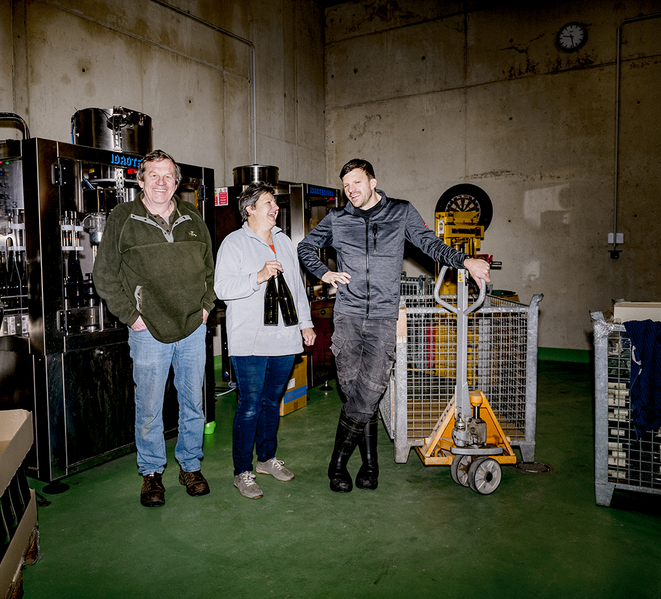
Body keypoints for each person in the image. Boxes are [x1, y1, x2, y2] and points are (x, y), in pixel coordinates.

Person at [297, 159, 491, 493]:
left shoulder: (400, 212)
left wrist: (466, 260)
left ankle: (337, 464)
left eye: (357, 182)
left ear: (373, 181)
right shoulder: (338, 219)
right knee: (357, 395)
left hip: (383, 318)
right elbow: (305, 247)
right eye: (346, 186)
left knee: (368, 392)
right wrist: (324, 272)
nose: (351, 190)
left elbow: (429, 244)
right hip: (348, 317)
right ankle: (370, 466)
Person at [93, 149, 216, 507]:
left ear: (176, 182)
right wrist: (132, 317)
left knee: (193, 402)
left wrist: (207, 306)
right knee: (149, 405)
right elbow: (104, 275)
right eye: (154, 175)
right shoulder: (123, 217)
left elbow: (210, 268)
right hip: (148, 330)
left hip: (193, 326)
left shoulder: (192, 216)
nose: (161, 182)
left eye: (168, 176)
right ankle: (151, 473)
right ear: (141, 180)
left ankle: (190, 465)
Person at [214, 183, 316, 499]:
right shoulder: (234, 243)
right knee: (249, 406)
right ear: (250, 209)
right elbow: (221, 288)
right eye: (268, 203)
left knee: (273, 401)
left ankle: (266, 459)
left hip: (284, 336)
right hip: (251, 340)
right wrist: (257, 276)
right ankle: (242, 472)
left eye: (275, 203)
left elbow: (297, 285)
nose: (275, 208)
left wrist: (306, 323)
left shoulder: (284, 241)